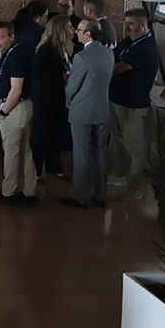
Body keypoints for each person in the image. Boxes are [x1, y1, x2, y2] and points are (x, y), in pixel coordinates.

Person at [62, 18, 116, 210]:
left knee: (82, 154)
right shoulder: (109, 54)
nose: (76, 32)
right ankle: (100, 195)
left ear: (88, 34)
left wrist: (68, 101)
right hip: (102, 109)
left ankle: (79, 196)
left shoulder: (82, 57)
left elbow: (72, 86)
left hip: (82, 110)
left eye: (80, 30)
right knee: (100, 153)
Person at [109, 7, 160, 196]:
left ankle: (135, 183)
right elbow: (113, 55)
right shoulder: (130, 41)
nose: (127, 27)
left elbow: (117, 67)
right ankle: (119, 175)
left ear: (143, 24)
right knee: (117, 141)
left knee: (134, 145)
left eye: (131, 24)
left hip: (133, 104)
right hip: (117, 99)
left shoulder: (146, 47)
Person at [0, 20, 37, 206]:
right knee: (26, 150)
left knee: (11, 151)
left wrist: (4, 112)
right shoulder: (14, 52)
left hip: (14, 108)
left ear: (11, 36)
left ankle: (8, 191)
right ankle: (29, 190)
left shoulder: (15, 56)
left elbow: (16, 89)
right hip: (22, 106)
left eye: (1, 37)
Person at [30, 13, 75, 182]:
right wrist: (61, 77)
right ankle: (37, 170)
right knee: (42, 132)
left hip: (58, 98)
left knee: (57, 130)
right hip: (45, 99)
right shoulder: (46, 49)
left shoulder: (63, 49)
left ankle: (54, 166)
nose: (73, 30)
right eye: (69, 27)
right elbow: (40, 75)